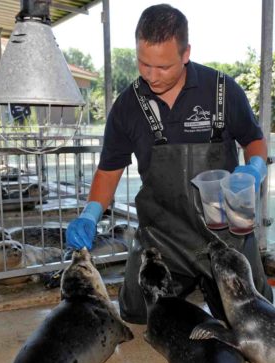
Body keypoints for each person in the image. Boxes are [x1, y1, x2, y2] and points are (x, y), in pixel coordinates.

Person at [66, 4, 273, 324]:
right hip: (163, 238)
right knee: (137, 311)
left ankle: (212, 284)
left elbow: (253, 140)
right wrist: (90, 214)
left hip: (224, 235)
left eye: (162, 67)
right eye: (143, 63)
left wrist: (256, 167)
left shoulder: (222, 91)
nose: (150, 75)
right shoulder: (127, 106)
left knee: (249, 318)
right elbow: (109, 170)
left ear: (186, 53)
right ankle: (189, 285)